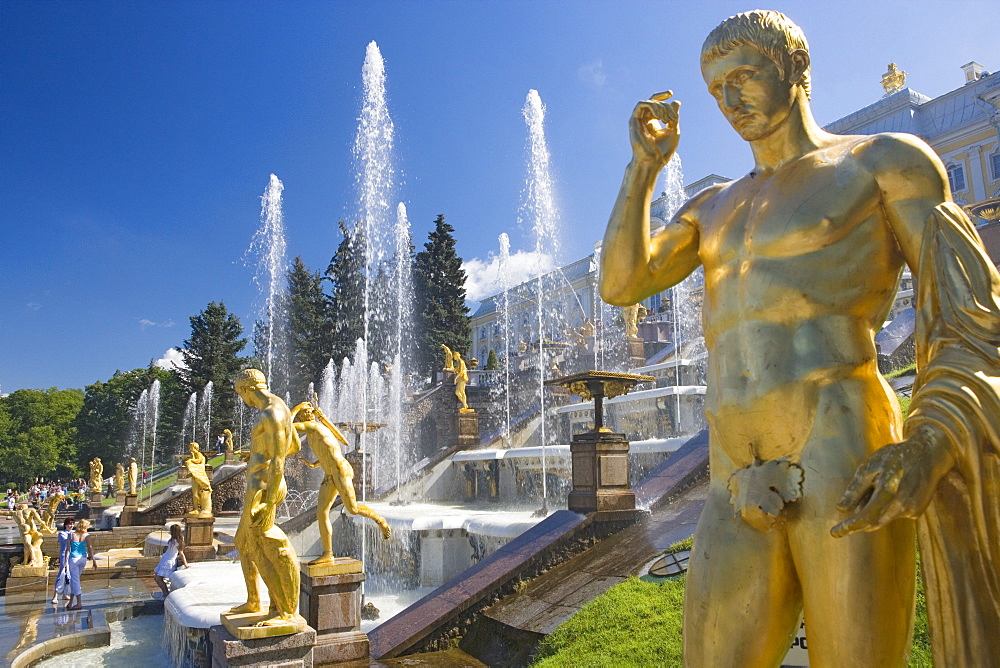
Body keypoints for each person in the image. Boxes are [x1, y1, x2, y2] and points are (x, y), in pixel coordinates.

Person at [600, 10, 1000, 666]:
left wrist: (928, 445)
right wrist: (642, 169)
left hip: (843, 447)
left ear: (795, 69)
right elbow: (623, 283)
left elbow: (970, 317)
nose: (729, 100)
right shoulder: (711, 209)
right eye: (715, 89)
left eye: (744, 76)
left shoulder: (884, 164)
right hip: (733, 467)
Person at [229, 368, 306, 630]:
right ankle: (254, 601)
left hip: (264, 487)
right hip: (259, 484)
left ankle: (286, 611)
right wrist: (259, 453)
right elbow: (294, 445)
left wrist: (270, 499)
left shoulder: (270, 412)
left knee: (269, 545)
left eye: (241, 394)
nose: (242, 400)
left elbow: (282, 459)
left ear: (246, 389)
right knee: (243, 542)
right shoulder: (279, 406)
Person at [291, 402, 391, 566]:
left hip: (341, 470)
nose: (306, 414)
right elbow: (328, 452)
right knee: (322, 512)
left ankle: (379, 519)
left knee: (352, 508)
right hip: (330, 474)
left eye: (307, 412)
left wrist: (295, 408)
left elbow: (284, 425)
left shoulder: (314, 427)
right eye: (305, 412)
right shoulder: (314, 432)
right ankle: (328, 554)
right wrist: (313, 464)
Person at [62, 519, 97, 610]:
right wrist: (93, 560)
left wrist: (65, 561)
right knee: (75, 580)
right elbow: (90, 549)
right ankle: (70, 603)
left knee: (75, 581)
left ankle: (79, 603)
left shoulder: (71, 535)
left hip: (73, 559)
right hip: (83, 559)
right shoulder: (87, 536)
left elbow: (68, 549)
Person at [153, 523, 189, 598]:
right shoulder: (173, 539)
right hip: (165, 559)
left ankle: (166, 593)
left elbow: (181, 553)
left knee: (158, 578)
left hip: (169, 561)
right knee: (156, 577)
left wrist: (185, 564)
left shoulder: (178, 541)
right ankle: (165, 592)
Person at [51, 518, 74, 604]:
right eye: (69, 524)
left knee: (69, 575)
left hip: (72, 556)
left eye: (72, 524)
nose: (71, 526)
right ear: (65, 525)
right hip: (64, 556)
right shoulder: (62, 534)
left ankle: (65, 593)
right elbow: (66, 541)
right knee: (61, 574)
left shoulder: (73, 533)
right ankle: (55, 596)